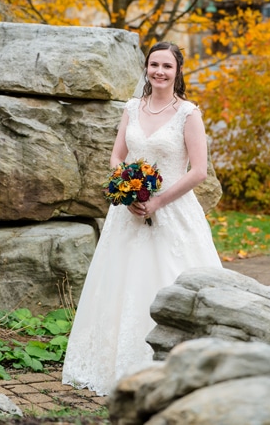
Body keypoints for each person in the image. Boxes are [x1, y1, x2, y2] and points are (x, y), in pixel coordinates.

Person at [63, 42, 223, 395]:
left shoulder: (189, 114)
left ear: (178, 71)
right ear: (147, 68)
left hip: (173, 212)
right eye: (154, 65)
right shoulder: (133, 108)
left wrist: (158, 200)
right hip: (130, 213)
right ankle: (117, 364)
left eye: (167, 66)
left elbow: (198, 171)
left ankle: (177, 368)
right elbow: (117, 156)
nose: (160, 72)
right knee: (120, 285)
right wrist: (130, 187)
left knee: (170, 281)